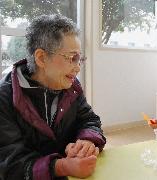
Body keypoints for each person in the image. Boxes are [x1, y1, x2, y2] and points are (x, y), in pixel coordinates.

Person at [0, 14, 106, 180]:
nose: (78, 68)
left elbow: (90, 120)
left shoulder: (71, 88)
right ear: (41, 58)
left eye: (80, 59)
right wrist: (61, 166)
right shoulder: (5, 98)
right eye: (72, 58)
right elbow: (10, 164)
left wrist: (87, 141)